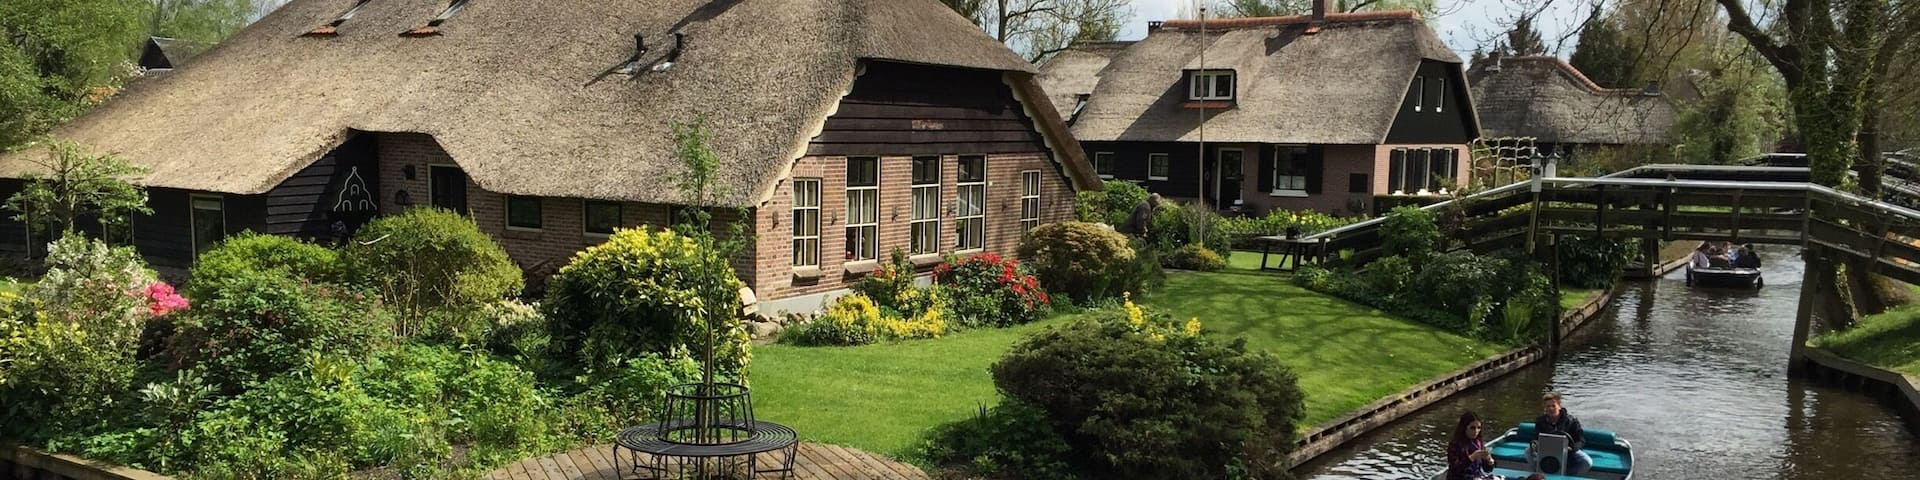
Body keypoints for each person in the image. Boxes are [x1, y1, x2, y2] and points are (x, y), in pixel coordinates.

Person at [1527, 392, 1592, 475]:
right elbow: (1535, 436)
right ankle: (1537, 475)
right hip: (1545, 448)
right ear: (1545, 408)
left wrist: (1571, 448)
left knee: (1587, 462)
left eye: (1553, 406)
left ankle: (1568, 476)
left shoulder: (1571, 421)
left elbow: (1581, 440)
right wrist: (1534, 443)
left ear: (1559, 406)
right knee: (1528, 452)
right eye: (1548, 406)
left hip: (1567, 451)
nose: (1551, 408)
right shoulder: (1541, 420)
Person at [1446, 411, 1497, 480]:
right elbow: (1456, 469)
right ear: (1464, 427)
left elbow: (1487, 469)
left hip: (1476, 476)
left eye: (1478, 428)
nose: (1476, 431)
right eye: (1472, 428)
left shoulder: (1478, 442)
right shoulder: (1455, 444)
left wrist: (1489, 461)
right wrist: (1472, 457)